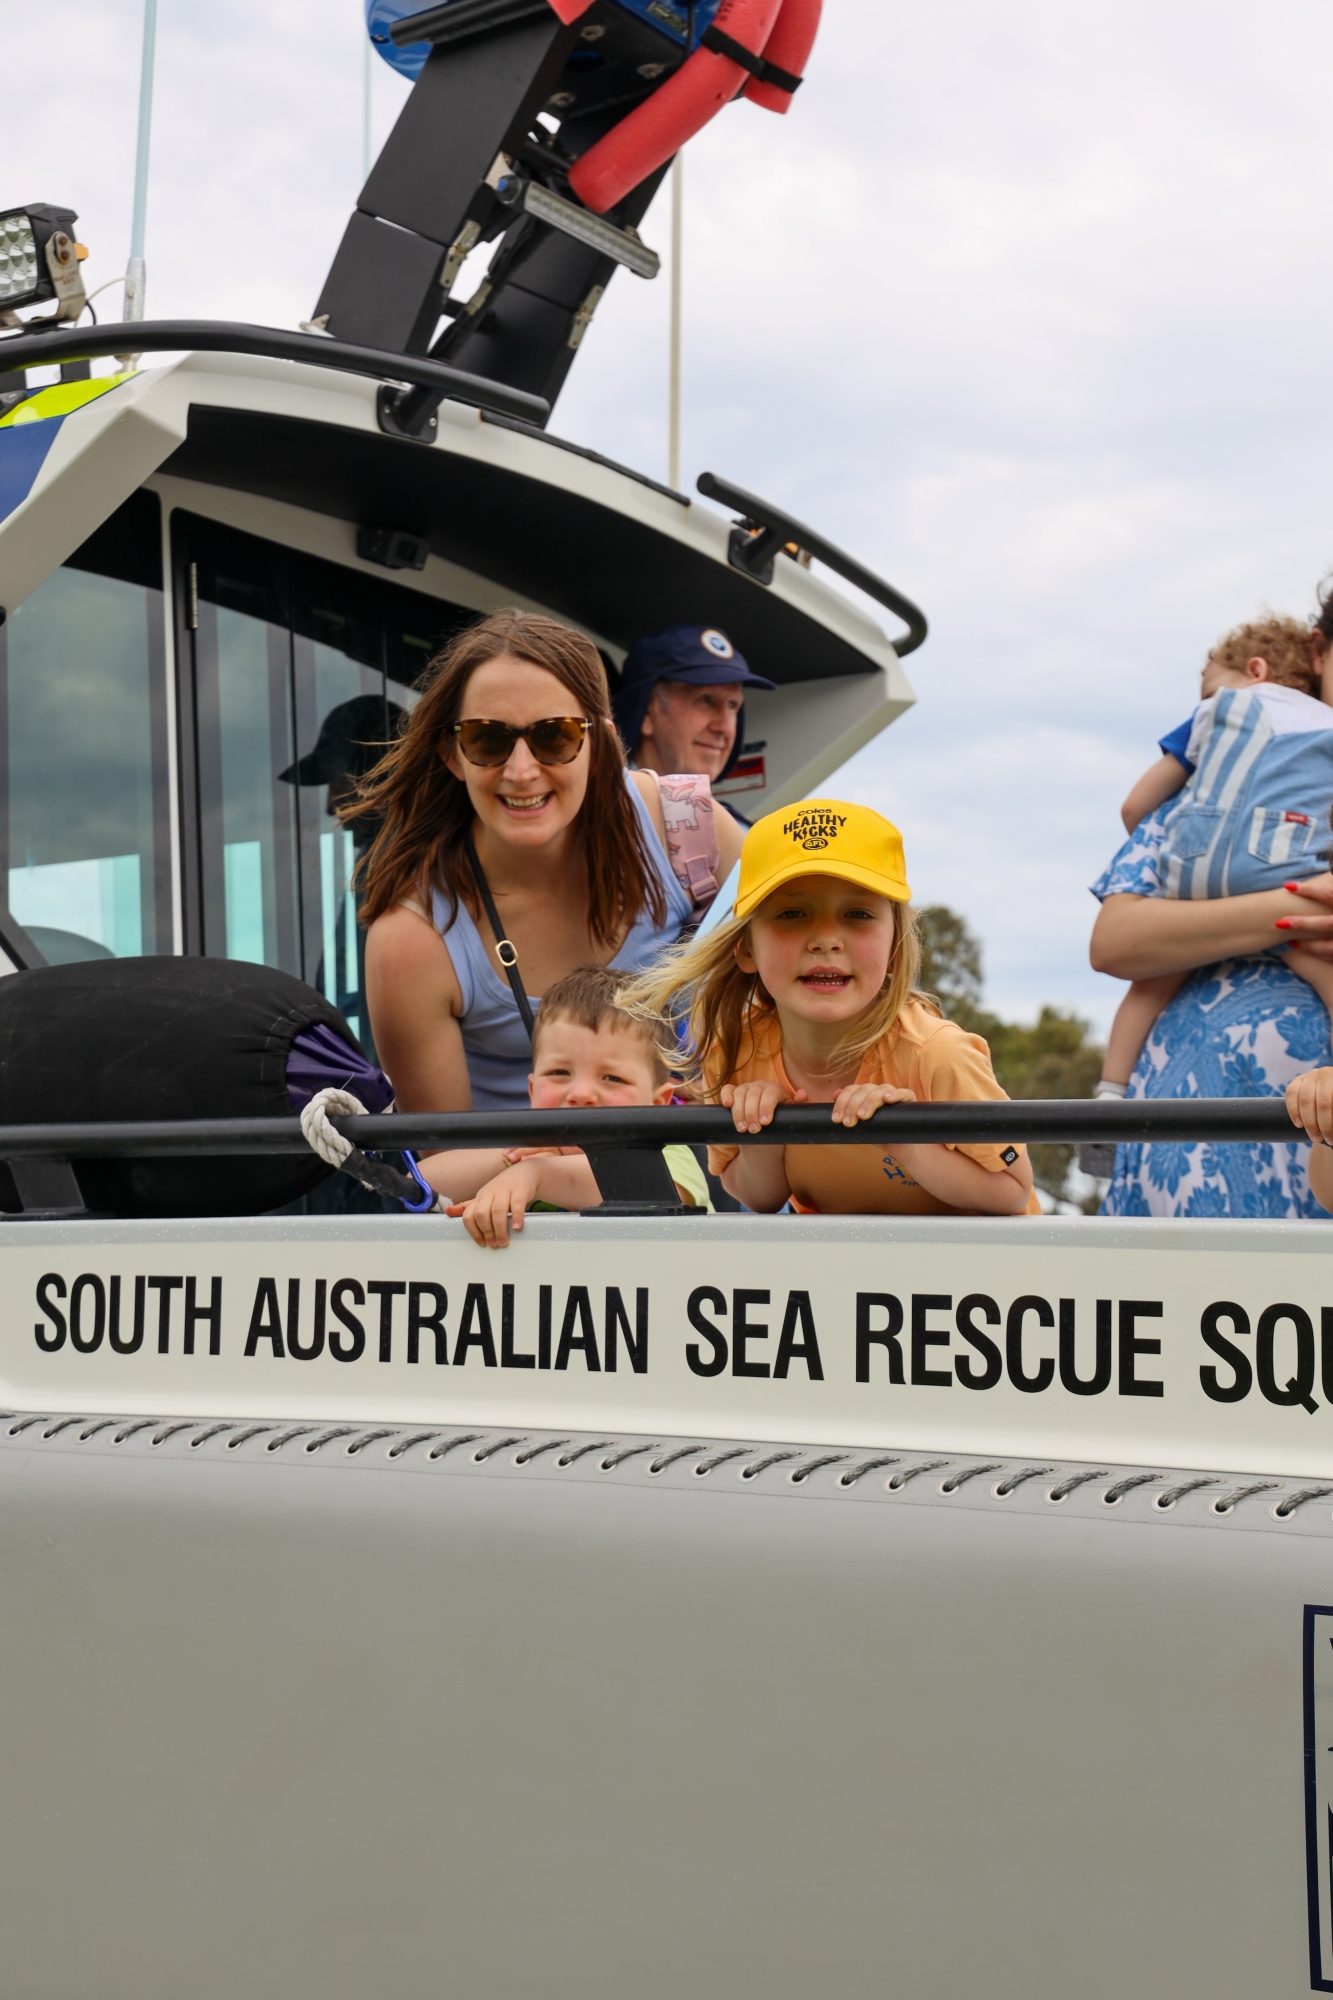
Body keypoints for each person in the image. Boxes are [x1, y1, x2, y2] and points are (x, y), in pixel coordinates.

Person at [345, 609, 745, 1202]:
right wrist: (536, 1158)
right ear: (452, 755)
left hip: (716, 1206)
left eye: (555, 735)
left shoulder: (690, 829)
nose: (521, 770)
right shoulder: (414, 936)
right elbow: (437, 1175)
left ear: (601, 743)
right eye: (487, 739)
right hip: (524, 1246)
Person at [621, 800, 1040, 1216]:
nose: (826, 939)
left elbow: (1012, 1192)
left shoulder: (937, 1055)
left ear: (895, 947)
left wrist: (907, 1141)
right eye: (792, 913)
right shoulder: (733, 1050)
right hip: (843, 1277)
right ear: (745, 947)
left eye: (857, 913)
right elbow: (757, 1197)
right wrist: (764, 1137)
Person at [1087, 584, 1333, 1217]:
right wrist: (1287, 913)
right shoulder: (1201, 797)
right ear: (1319, 652)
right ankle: (1109, 1102)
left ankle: (1107, 1097)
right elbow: (1116, 941)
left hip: (1312, 1150)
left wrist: (1215, 919)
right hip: (1173, 1145)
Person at [448, 964, 709, 1247]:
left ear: (659, 1102)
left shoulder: (668, 1154)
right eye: (559, 1073)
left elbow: (652, 1191)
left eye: (612, 1078)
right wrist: (511, 1159)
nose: (582, 1094)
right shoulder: (529, 1152)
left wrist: (536, 1174)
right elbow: (421, 1184)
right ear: (532, 1089)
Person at [611, 625, 774, 784]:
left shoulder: (730, 813)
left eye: (733, 705)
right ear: (647, 711)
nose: (724, 727)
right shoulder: (593, 809)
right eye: (706, 700)